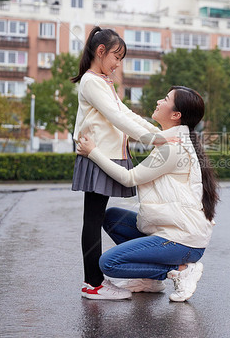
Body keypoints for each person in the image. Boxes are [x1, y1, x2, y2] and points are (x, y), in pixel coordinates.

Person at [76, 86, 219, 302]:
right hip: (174, 231)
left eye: (165, 99)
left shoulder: (172, 149)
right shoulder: (171, 140)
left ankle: (177, 270)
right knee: (113, 218)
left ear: (176, 115)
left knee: (109, 263)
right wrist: (112, 102)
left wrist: (93, 152)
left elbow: (129, 178)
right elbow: (136, 124)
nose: (159, 101)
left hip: (182, 241)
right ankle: (148, 280)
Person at [71, 27, 162, 300]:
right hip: (98, 156)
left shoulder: (102, 81)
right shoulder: (91, 82)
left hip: (104, 154)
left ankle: (94, 282)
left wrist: (159, 135)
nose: (118, 64)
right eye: (116, 57)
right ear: (101, 52)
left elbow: (126, 113)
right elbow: (116, 117)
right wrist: (155, 140)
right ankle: (94, 284)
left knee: (94, 217)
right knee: (93, 219)